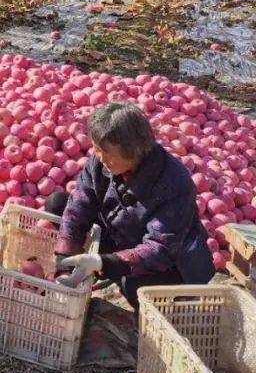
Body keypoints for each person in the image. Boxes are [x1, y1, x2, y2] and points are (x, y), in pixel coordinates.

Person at [47, 101, 214, 314]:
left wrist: (104, 262)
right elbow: (79, 204)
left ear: (134, 151)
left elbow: (159, 249)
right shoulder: (101, 161)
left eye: (106, 152)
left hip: (170, 262)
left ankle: (117, 274)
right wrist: (64, 263)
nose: (99, 157)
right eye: (97, 149)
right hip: (121, 233)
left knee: (138, 293)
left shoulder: (175, 183)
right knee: (57, 204)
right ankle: (103, 268)